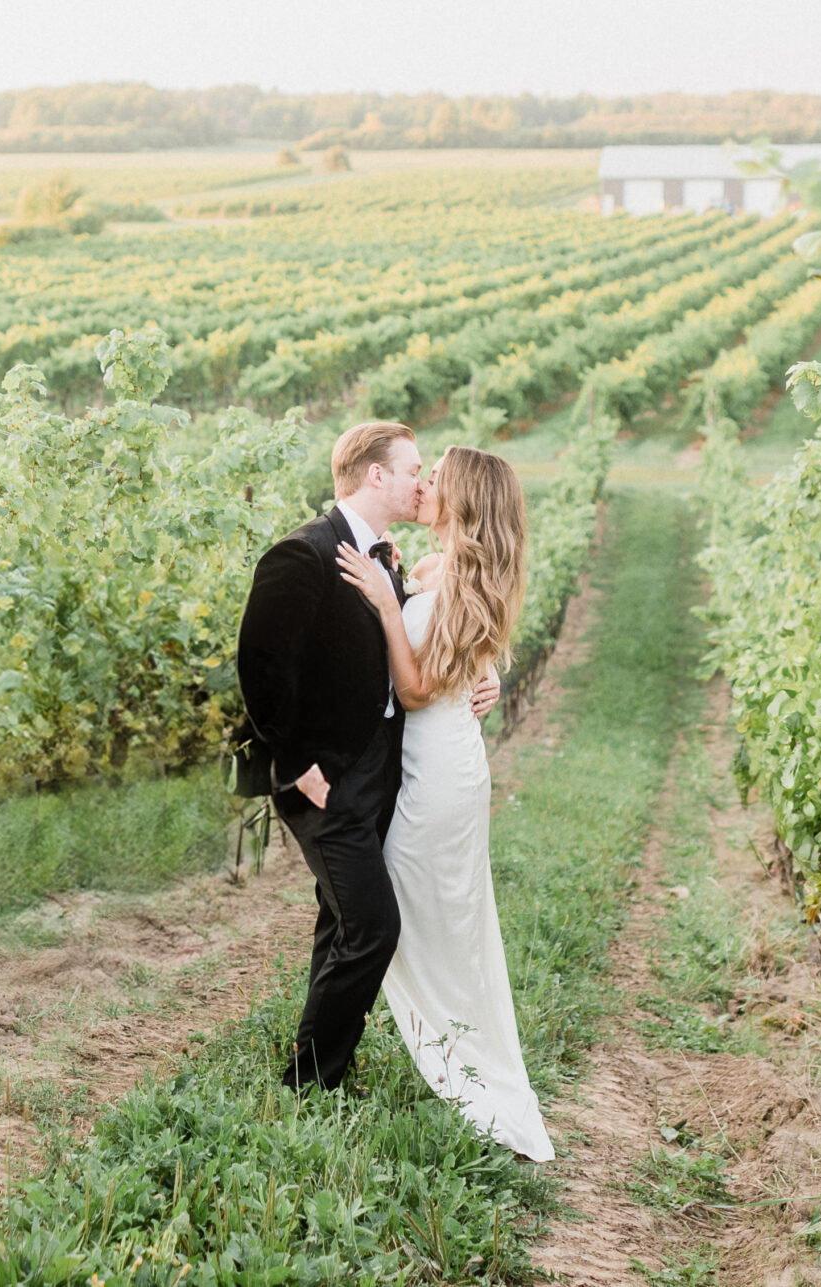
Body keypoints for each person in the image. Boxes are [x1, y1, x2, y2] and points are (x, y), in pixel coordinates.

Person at [234, 423, 498, 1092]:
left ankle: (319, 1071)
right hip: (321, 779)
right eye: (413, 468)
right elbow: (262, 667)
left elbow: (412, 651)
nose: (421, 481)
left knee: (343, 920)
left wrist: (482, 677)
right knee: (375, 925)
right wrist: (295, 764)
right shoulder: (303, 554)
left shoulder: (387, 556)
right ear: (375, 475)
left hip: (377, 776)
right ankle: (309, 1082)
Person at [333, 445, 552, 1161]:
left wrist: (387, 607)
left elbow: (418, 689)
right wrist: (486, 667)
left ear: (461, 501)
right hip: (445, 763)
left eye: (436, 481)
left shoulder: (453, 577)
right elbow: (469, 643)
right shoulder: (447, 567)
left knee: (416, 921)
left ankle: (463, 1072)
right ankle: (449, 1051)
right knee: (433, 921)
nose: (423, 486)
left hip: (441, 775)